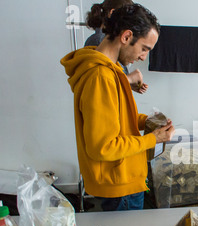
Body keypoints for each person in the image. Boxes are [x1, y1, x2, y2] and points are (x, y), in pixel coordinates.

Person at [61, 4, 175, 211]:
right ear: (126, 36)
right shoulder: (100, 77)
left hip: (123, 180)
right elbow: (103, 147)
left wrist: (146, 121)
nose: (143, 57)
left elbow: (116, 118)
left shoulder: (110, 72)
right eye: (144, 49)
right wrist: (153, 139)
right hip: (120, 185)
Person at [85, 0, 149, 94]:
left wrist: (128, 84)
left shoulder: (109, 41)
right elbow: (97, 85)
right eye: (129, 19)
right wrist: (128, 79)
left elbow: (110, 78)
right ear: (112, 13)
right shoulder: (99, 41)